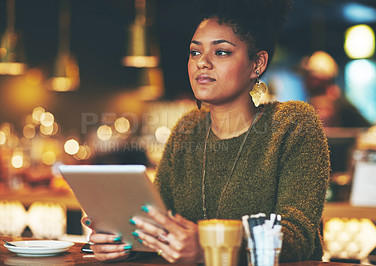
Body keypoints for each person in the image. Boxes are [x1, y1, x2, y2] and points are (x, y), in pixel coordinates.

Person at [83, 0, 330, 263]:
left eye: (221, 52)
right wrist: (123, 241)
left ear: (257, 63)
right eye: (194, 52)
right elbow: (160, 222)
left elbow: (297, 237)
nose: (203, 62)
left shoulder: (293, 124)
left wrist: (207, 246)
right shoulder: (187, 130)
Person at [300, 50, 371, 128]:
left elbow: (366, 127)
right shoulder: (310, 104)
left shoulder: (342, 106)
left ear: (322, 78)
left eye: (309, 75)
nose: (305, 80)